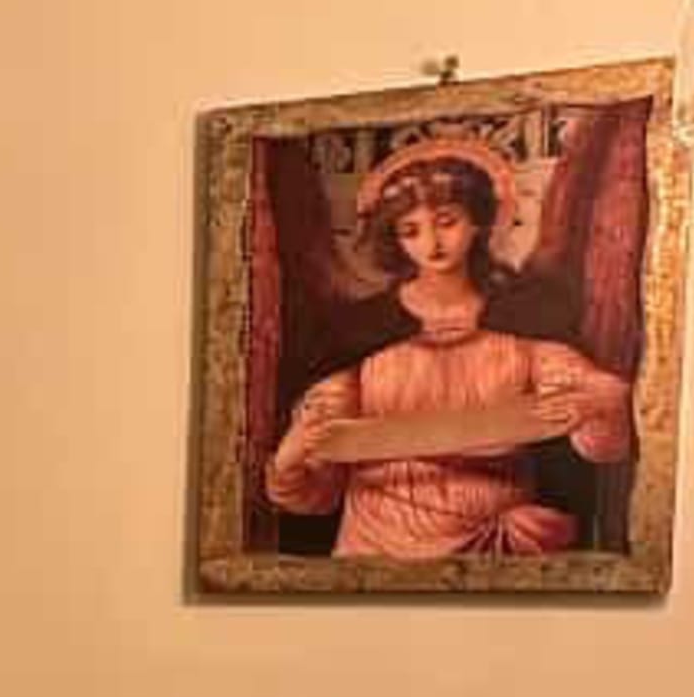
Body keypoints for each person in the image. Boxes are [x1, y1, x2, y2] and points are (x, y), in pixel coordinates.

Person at [262, 141, 630, 566]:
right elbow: (315, 492)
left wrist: (597, 401)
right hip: (375, 548)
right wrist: (291, 458)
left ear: (477, 223)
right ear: (394, 239)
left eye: (446, 222)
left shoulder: (525, 317)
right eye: (411, 230)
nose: (432, 243)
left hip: (495, 548)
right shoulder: (363, 332)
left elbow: (600, 442)